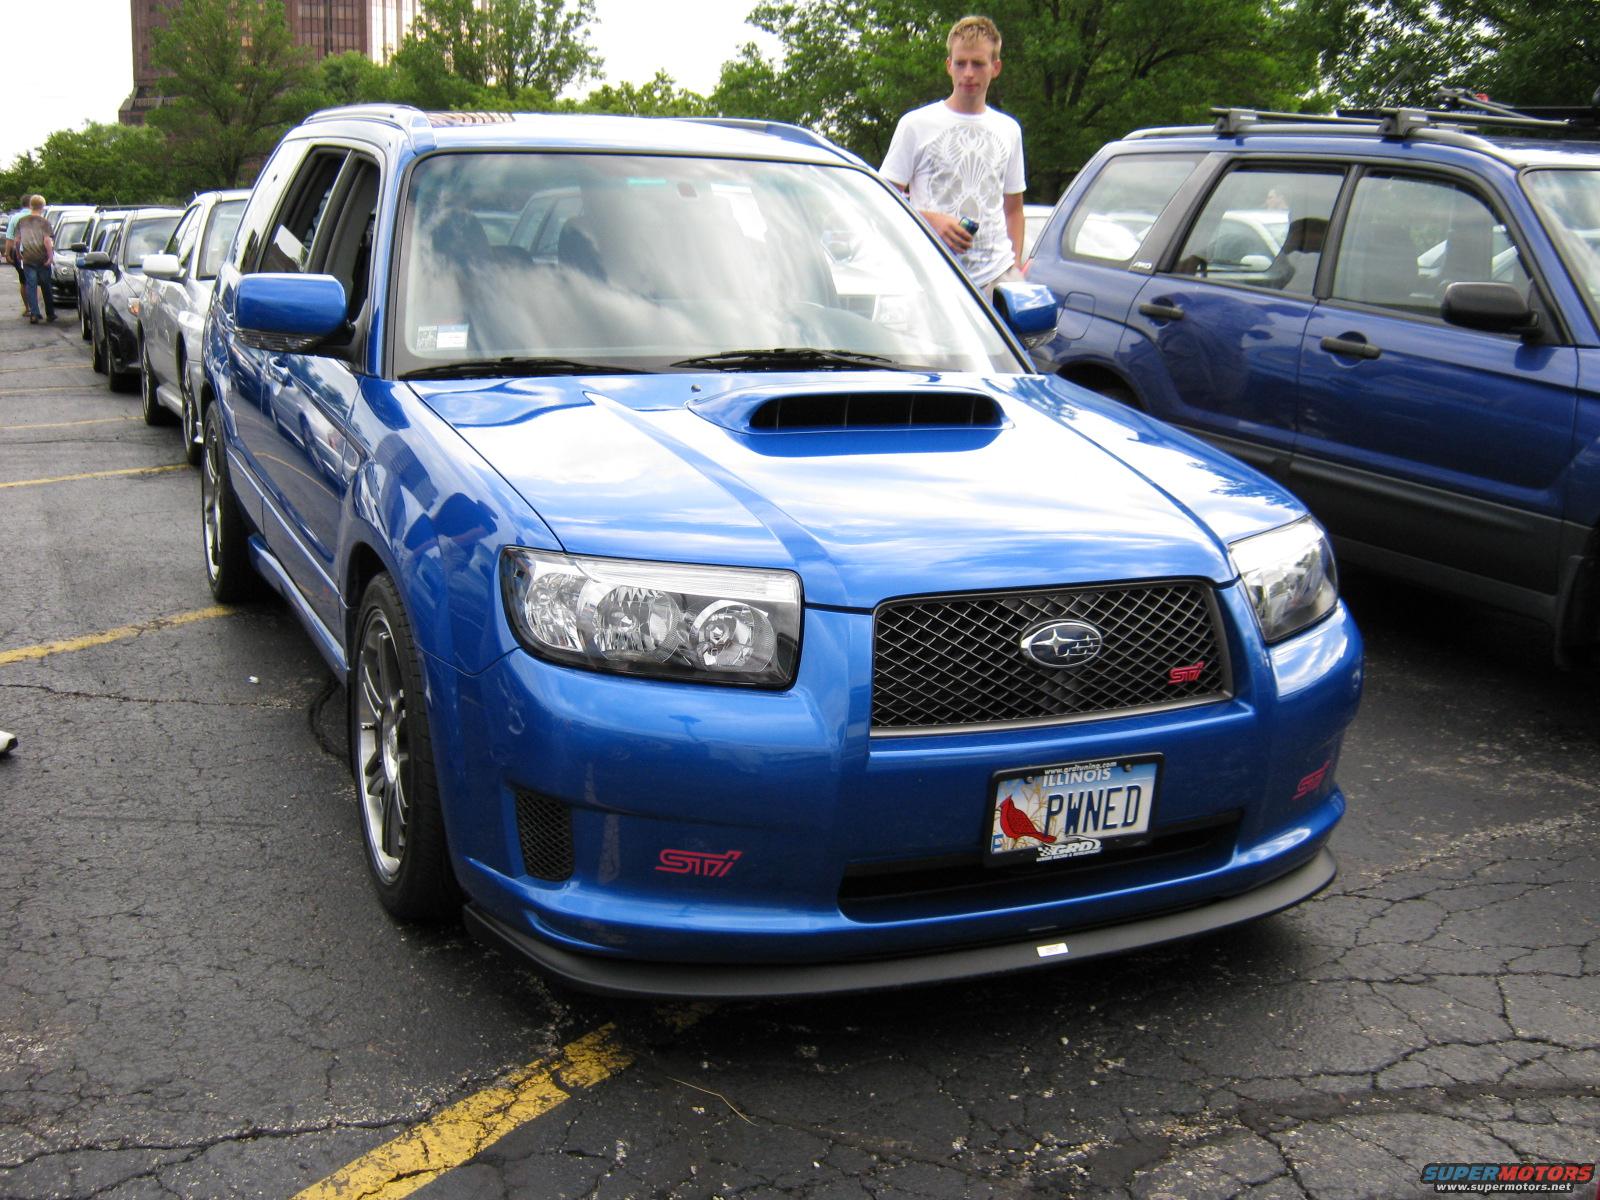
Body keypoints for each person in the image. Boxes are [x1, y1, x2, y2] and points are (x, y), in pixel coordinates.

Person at [881, 15, 1027, 300]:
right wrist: (930, 220)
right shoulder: (916, 124)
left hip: (997, 277)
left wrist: (1015, 268)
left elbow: (1013, 210)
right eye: (961, 63)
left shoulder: (1009, 129)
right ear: (949, 66)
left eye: (978, 63)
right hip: (931, 276)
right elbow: (883, 199)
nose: (968, 73)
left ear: (995, 68)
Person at [15, 195, 56, 323]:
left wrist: (18, 253)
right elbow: (47, 241)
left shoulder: (22, 222)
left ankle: (34, 313)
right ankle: (50, 313)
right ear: (42, 207)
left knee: (31, 285)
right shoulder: (44, 222)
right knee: (46, 285)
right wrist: (50, 256)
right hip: (42, 258)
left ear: (31, 206)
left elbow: (17, 240)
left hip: (28, 257)